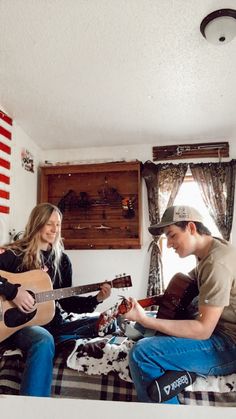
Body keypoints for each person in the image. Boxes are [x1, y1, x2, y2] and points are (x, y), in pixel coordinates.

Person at [125, 205, 236, 404]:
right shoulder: (210, 251)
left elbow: (203, 330)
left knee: (141, 352)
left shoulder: (216, 263)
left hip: (229, 345)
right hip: (218, 332)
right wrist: (152, 309)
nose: (168, 244)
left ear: (191, 228)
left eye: (172, 235)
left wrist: (146, 320)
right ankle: (182, 372)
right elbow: (188, 287)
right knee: (145, 324)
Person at [0, 202, 113, 397]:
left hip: (53, 322)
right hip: (18, 326)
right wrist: (13, 293)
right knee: (43, 339)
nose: (55, 229)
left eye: (58, 224)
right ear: (38, 223)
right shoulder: (15, 253)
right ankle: (33, 409)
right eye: (49, 223)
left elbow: (67, 302)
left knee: (107, 321)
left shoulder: (62, 261)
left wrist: (96, 299)